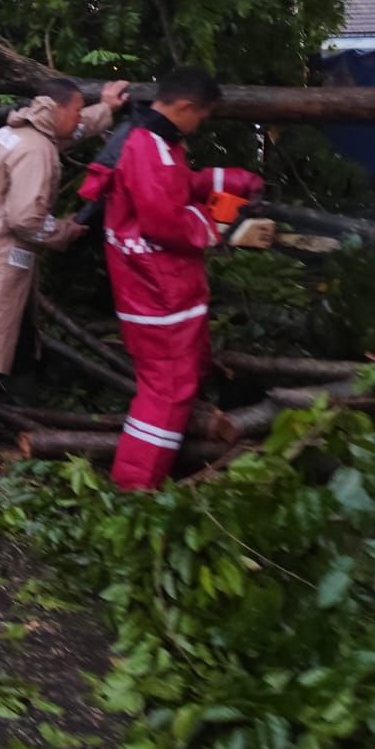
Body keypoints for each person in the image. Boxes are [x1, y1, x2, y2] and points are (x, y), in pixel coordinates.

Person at [77, 67, 269, 491]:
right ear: (184, 107)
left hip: (161, 293)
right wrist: (221, 227)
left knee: (175, 385)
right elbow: (166, 221)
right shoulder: (150, 148)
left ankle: (145, 480)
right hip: (157, 296)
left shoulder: (159, 143)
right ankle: (134, 489)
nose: (200, 126)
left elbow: (180, 186)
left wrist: (235, 181)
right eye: (201, 117)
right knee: (167, 394)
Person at [0, 78, 128, 465]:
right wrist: (65, 230)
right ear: (55, 109)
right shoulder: (36, 149)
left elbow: (73, 129)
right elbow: (25, 219)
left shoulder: (18, 129)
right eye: (75, 110)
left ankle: (25, 421)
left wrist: (105, 106)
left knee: (19, 336)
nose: (76, 119)